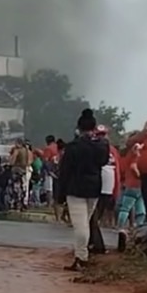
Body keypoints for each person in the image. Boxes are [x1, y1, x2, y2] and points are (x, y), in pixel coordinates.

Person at [57, 108, 110, 271]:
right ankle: (81, 256)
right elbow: (103, 162)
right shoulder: (102, 146)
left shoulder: (73, 147)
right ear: (94, 128)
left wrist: (60, 194)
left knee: (80, 226)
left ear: (78, 128)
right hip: (94, 187)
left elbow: (65, 171)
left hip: (76, 188)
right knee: (85, 222)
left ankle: (82, 257)